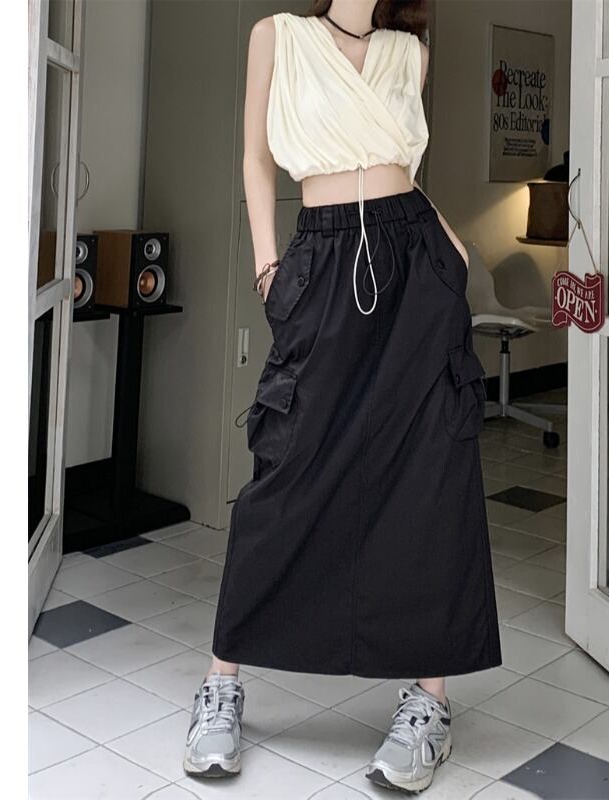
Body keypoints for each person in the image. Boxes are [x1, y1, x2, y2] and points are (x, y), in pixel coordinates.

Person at [183, 0, 501, 792]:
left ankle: (429, 701)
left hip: (416, 258)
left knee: (430, 471)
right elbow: (256, 158)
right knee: (286, 467)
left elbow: (406, 174)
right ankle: (221, 682)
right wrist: (268, 268)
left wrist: (452, 255)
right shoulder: (277, 36)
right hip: (323, 259)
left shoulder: (409, 53)